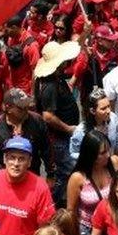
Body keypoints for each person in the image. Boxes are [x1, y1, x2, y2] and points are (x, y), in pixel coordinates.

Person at [34, 41, 82, 205]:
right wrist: (69, 129)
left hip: (61, 138)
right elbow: (48, 116)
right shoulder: (50, 86)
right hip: (59, 139)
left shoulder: (54, 79)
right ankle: (50, 203)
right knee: (65, 171)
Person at [0, 136, 56, 235]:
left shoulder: (40, 188)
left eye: (21, 159)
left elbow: (47, 229)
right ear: (5, 159)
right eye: (12, 158)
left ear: (29, 162)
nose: (16, 163)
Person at [0, 88, 50, 174]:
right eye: (21, 108)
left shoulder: (37, 121)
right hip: (4, 179)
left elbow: (47, 150)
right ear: (8, 108)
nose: (26, 111)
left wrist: (51, 174)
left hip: (32, 176)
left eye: (27, 106)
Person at [67, 130, 118, 235]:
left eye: (108, 150)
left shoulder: (115, 163)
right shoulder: (78, 178)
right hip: (87, 231)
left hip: (112, 226)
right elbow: (71, 212)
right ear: (91, 155)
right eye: (103, 153)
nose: (108, 155)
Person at [70, 88, 118, 162]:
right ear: (93, 111)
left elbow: (117, 145)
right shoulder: (80, 131)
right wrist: (91, 157)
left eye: (108, 106)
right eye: (103, 109)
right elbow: (73, 153)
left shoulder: (113, 118)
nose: (108, 111)